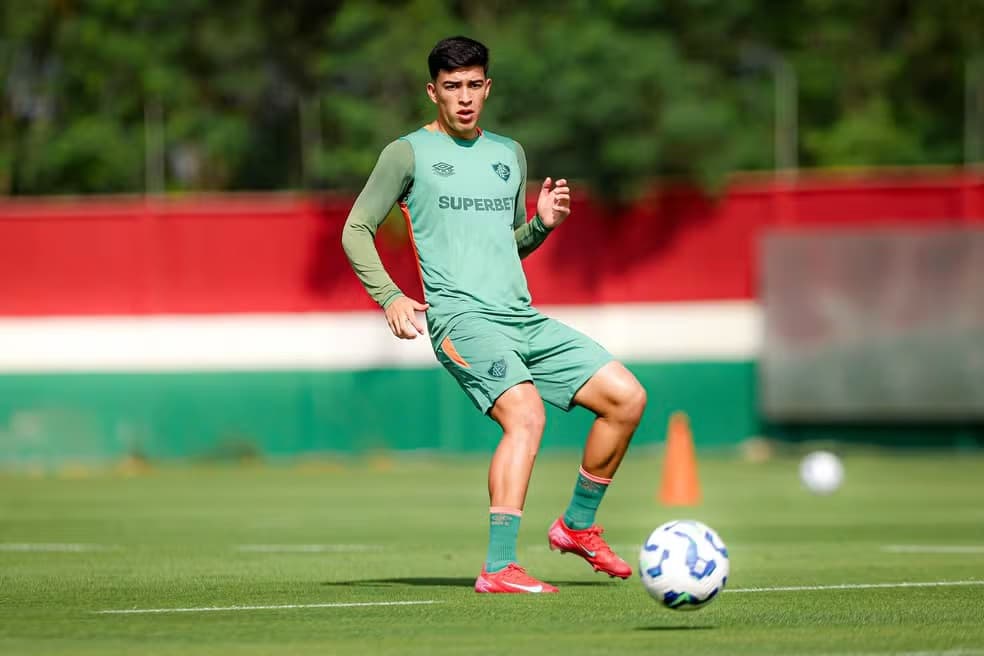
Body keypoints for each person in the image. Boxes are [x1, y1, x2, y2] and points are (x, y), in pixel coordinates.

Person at [342, 36, 647, 594]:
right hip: (462, 322)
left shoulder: (509, 154)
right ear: (432, 91)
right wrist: (389, 295)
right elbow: (355, 228)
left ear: (488, 87)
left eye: (474, 85)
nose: (464, 98)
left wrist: (542, 225)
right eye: (452, 87)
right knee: (526, 416)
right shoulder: (406, 153)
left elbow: (507, 246)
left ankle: (576, 526)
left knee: (627, 398)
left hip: (521, 319)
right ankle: (499, 566)